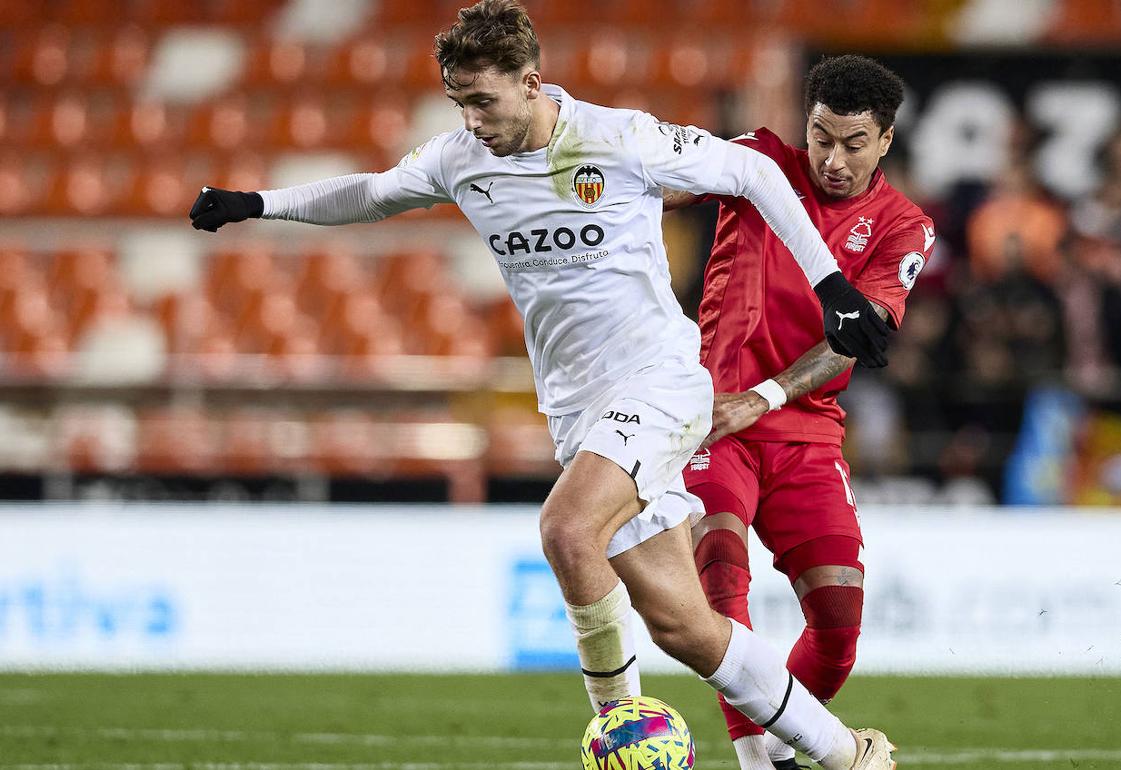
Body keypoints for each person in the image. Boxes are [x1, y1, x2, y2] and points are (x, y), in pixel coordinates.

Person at [188, 3, 895, 767]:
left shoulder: (618, 138)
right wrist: (258, 204)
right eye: (460, 100)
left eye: (483, 100)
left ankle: (622, 732)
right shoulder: (461, 157)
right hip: (580, 410)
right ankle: (851, 753)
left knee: (564, 530)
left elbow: (752, 170)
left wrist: (829, 282)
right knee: (685, 628)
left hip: (658, 383)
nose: (472, 118)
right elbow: (371, 192)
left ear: (531, 83)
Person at [665, 55, 934, 770]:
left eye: (853, 143)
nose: (833, 159)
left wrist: (771, 395)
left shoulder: (904, 227)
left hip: (805, 429)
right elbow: (656, 180)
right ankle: (761, 764)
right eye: (821, 137)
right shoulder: (755, 161)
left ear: (886, 140)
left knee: (839, 628)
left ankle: (780, 753)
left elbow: (854, 338)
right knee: (721, 579)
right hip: (713, 415)